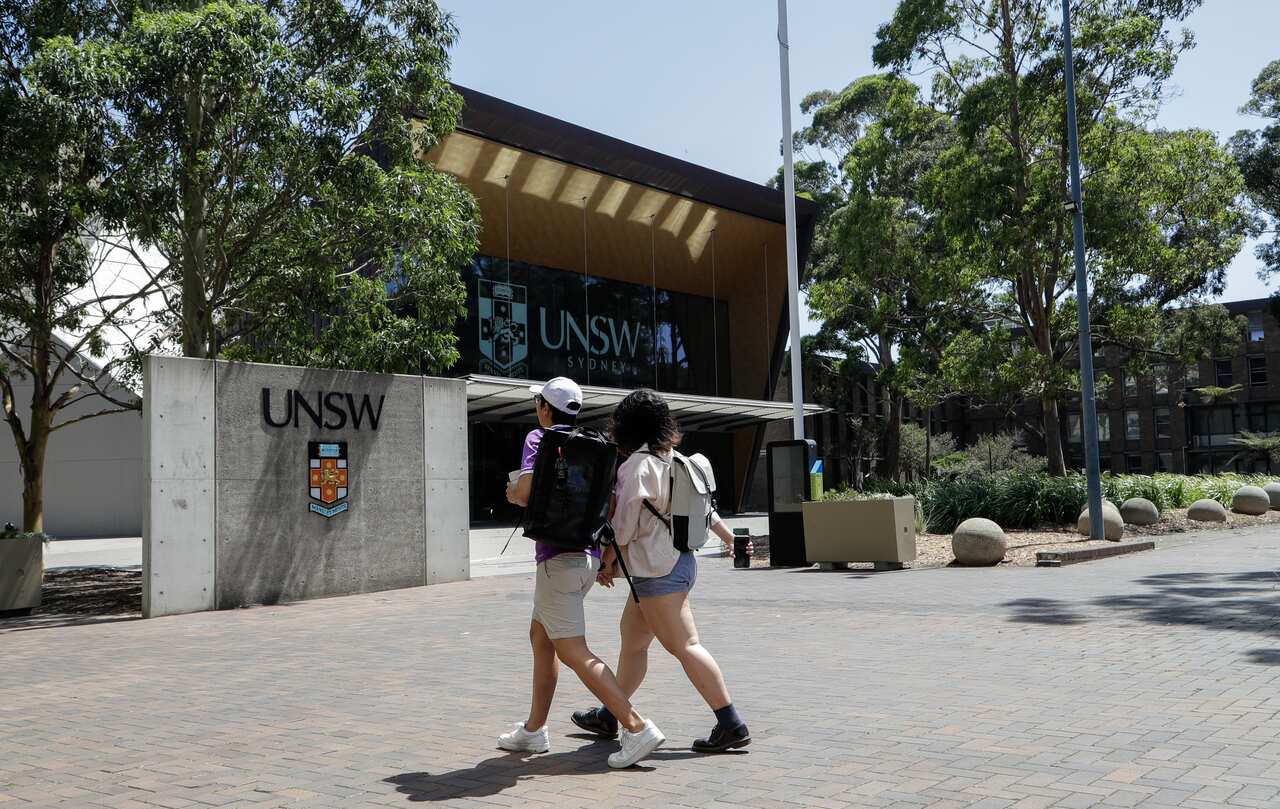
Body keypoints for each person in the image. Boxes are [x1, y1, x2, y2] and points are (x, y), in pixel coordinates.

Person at [571, 388, 751, 753]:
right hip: (679, 563)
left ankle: (731, 723)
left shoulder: (637, 467)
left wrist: (606, 563)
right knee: (634, 642)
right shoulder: (676, 459)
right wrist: (730, 538)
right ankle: (610, 714)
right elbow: (704, 511)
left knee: (686, 645)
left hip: (657, 573)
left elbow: (623, 529)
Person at [500, 376, 665, 769]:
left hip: (557, 560)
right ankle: (533, 730)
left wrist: (511, 492)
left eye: (538, 403)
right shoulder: (596, 448)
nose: (537, 408)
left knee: (573, 650)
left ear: (545, 408)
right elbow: (608, 507)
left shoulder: (539, 440)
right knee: (542, 638)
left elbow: (522, 493)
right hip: (587, 559)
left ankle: (636, 726)